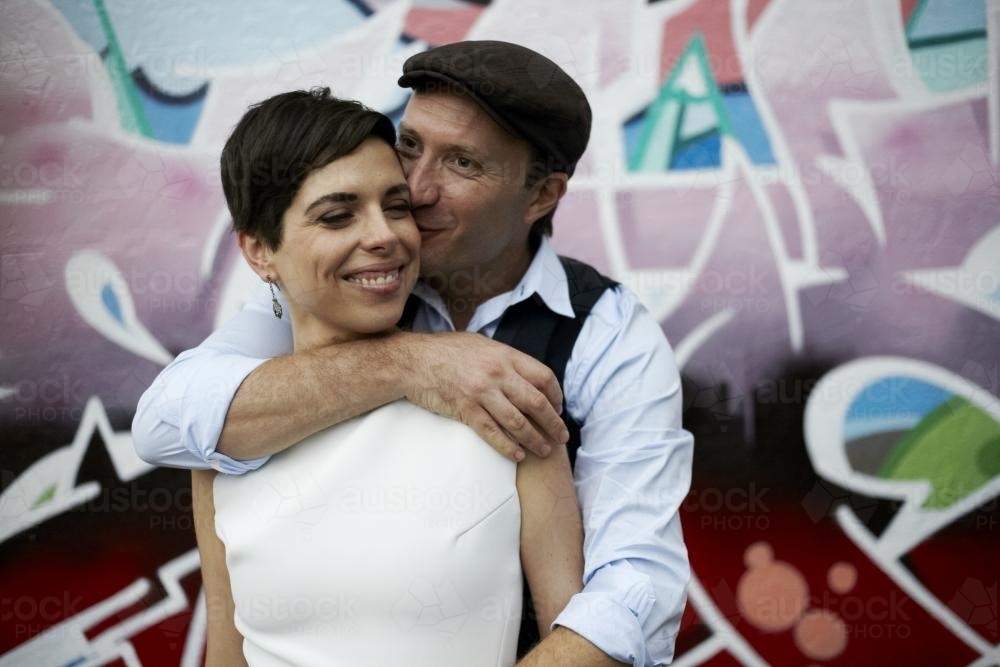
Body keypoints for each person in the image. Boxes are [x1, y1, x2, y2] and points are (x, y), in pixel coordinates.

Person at [134, 40, 693, 666]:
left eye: (462, 163)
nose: (417, 189)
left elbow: (633, 590)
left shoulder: (606, 336)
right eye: (410, 145)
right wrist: (417, 361)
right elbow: (169, 420)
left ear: (542, 196)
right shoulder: (329, 292)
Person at [195, 87, 584, 666]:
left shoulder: (507, 406)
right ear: (259, 251)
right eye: (337, 215)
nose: (386, 236)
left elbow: (574, 638)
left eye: (396, 206)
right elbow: (226, 657)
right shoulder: (229, 442)